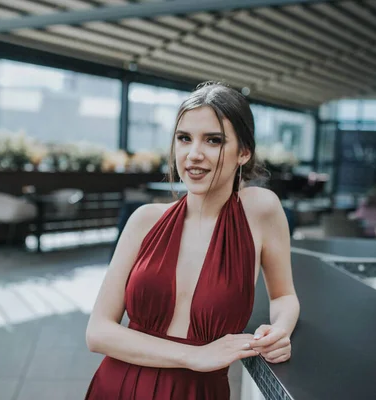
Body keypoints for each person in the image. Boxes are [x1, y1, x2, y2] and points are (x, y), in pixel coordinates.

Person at [84, 81, 300, 399]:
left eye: (213, 141)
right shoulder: (145, 220)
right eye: (184, 138)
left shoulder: (261, 211)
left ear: (243, 152)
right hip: (119, 387)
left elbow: (284, 297)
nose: (193, 154)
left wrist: (280, 330)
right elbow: (97, 332)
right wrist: (194, 355)